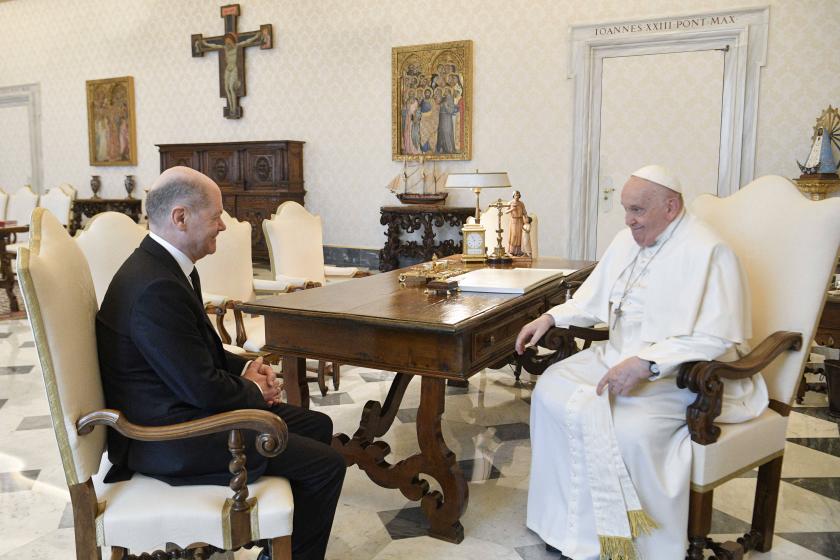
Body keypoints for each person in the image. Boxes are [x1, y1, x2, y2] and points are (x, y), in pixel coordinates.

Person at [515, 165, 768, 560]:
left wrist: (647, 363)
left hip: (681, 374)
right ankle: (569, 528)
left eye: (637, 210)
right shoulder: (625, 240)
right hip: (615, 354)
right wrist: (551, 318)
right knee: (551, 389)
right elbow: (591, 299)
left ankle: (634, 543)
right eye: (626, 210)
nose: (629, 221)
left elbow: (716, 337)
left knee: (629, 426)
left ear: (671, 206)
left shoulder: (710, 251)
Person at [97, 166, 345, 560]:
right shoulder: (154, 286)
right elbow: (201, 388)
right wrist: (254, 390)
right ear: (181, 217)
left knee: (318, 425)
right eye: (216, 216)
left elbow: (196, 356)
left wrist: (245, 370)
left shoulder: (165, 268)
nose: (224, 226)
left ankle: (275, 540)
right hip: (171, 437)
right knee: (327, 466)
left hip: (183, 413)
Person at [505, 190, 528, 256]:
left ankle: (519, 251)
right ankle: (511, 251)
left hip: (520, 220)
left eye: (518, 195)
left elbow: (524, 211)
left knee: (520, 236)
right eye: (515, 195)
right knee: (514, 235)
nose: (517, 196)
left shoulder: (521, 203)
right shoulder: (510, 203)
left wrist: (526, 217)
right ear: (513, 196)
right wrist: (512, 209)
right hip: (513, 221)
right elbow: (506, 212)